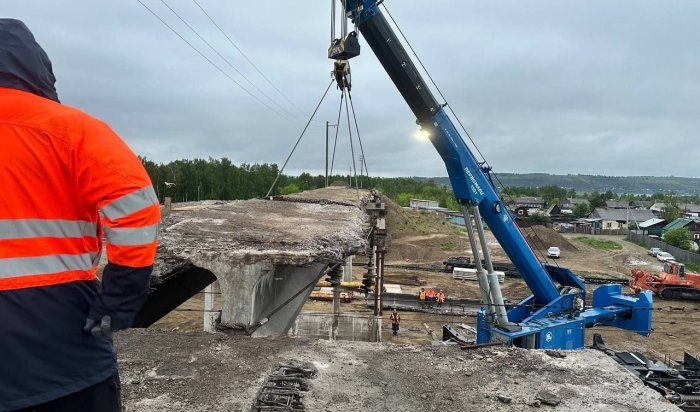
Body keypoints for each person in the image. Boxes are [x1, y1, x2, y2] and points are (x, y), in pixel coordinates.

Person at [0, 19, 160, 411]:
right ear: (36, 67)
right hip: (58, 333)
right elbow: (136, 205)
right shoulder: (71, 130)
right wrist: (119, 299)